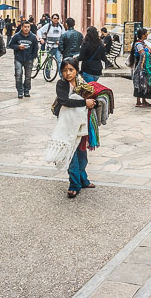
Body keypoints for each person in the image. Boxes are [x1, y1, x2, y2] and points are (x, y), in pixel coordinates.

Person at [45, 57, 97, 197]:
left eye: (71, 70)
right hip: (67, 123)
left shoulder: (81, 81)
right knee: (71, 154)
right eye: (64, 70)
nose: (68, 73)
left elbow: (91, 94)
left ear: (76, 70)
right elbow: (65, 101)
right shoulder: (61, 84)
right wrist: (85, 102)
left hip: (80, 123)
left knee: (81, 154)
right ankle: (74, 184)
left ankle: (83, 180)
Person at [129, 28, 151, 107]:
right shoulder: (139, 44)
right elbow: (142, 54)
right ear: (143, 35)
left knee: (144, 82)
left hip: (144, 65)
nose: (147, 35)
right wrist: (149, 51)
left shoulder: (142, 43)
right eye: (146, 34)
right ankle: (138, 101)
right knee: (139, 82)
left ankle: (144, 100)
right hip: (141, 66)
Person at [7, 21, 39, 98]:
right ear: (21, 27)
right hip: (19, 58)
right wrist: (18, 47)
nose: (26, 28)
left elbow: (36, 48)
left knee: (28, 76)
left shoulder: (33, 37)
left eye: (28, 27)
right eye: (25, 27)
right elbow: (10, 45)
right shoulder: (17, 36)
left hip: (29, 59)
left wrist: (33, 57)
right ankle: (20, 91)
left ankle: (27, 90)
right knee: (18, 74)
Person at [37, 13, 68, 79]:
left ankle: (61, 76)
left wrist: (60, 41)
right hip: (49, 46)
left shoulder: (61, 26)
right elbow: (39, 31)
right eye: (54, 18)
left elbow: (64, 35)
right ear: (51, 19)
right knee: (49, 61)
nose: (56, 19)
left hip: (57, 47)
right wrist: (40, 38)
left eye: (57, 18)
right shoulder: (48, 26)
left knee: (59, 61)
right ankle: (47, 74)